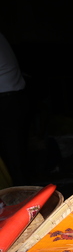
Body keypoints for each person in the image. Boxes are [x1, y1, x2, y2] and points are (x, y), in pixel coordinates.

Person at [0, 32, 29, 186]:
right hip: (14, 97)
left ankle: (21, 200)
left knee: (13, 156)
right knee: (16, 154)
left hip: (6, 98)